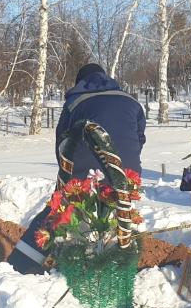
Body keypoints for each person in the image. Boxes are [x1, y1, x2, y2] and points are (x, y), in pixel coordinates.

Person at [8, 63, 146, 274]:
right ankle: (116, 263)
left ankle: (23, 262)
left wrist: (66, 174)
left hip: (85, 166)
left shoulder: (76, 101)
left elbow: (64, 142)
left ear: (80, 81)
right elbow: (140, 138)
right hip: (126, 170)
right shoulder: (131, 101)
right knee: (114, 212)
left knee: (62, 208)